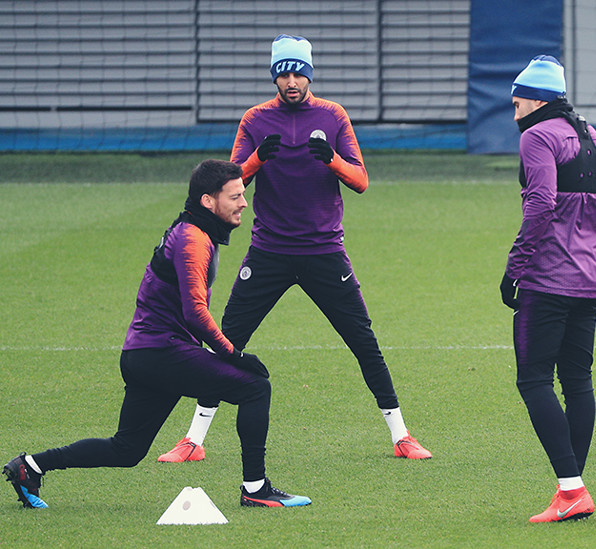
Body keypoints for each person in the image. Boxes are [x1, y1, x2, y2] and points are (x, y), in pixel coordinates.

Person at [157, 35, 431, 463]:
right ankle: (193, 440)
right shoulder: (255, 119)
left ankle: (401, 435)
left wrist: (332, 161)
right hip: (269, 253)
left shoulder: (333, 115)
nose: (291, 80)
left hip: (324, 253)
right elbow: (229, 186)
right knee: (225, 342)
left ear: (309, 74)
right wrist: (256, 161)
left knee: (363, 341)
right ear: (274, 76)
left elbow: (361, 180)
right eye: (283, 73)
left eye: (298, 72)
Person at [3, 160, 310, 509]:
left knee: (127, 449)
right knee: (256, 387)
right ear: (209, 201)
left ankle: (30, 467)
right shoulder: (193, 238)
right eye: (235, 196)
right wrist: (232, 354)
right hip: (162, 353)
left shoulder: (192, 229)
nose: (244, 203)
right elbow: (194, 311)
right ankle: (255, 490)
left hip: (146, 355)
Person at [501, 55, 596, 523]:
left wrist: (515, 268)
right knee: (577, 382)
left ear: (536, 100)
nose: (514, 115)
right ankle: (573, 487)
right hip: (589, 284)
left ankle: (572, 488)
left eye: (517, 105)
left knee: (533, 379)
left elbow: (540, 204)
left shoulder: (538, 136)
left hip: (548, 281)